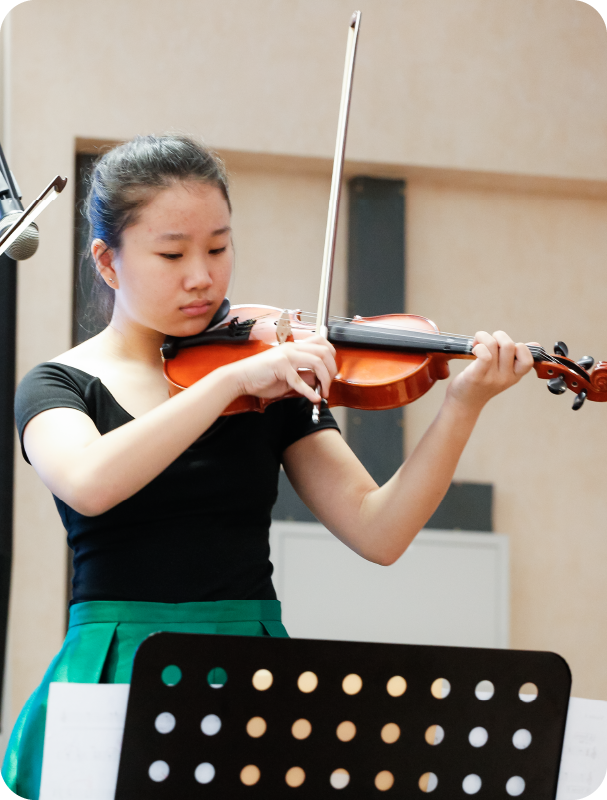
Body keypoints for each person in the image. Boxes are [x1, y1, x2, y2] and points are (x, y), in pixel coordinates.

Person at [1, 134, 534, 799]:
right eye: (172, 253)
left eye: (219, 248)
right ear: (108, 263)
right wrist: (225, 386)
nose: (203, 276)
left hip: (247, 662)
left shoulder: (267, 380)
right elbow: (89, 482)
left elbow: (380, 531)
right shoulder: (58, 384)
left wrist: (461, 404)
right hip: (118, 662)